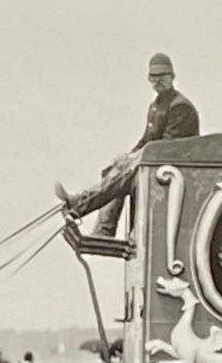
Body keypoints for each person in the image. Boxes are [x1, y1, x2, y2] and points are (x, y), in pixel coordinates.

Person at [54, 53, 200, 237]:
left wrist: (132, 159)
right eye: (153, 77)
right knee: (114, 171)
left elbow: (167, 146)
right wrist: (127, 157)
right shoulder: (156, 105)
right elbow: (146, 140)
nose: (157, 81)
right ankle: (103, 229)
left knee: (122, 175)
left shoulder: (180, 106)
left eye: (162, 76)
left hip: (173, 167)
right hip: (156, 161)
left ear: (172, 76)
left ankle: (80, 204)